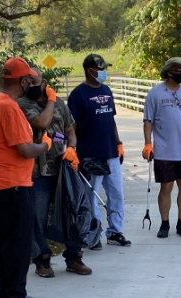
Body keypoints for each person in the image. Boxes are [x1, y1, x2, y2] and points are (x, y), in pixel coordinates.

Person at [0, 57, 52, 298]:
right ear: (22, 81)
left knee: (4, 240)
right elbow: (24, 149)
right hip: (12, 183)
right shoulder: (9, 108)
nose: (32, 85)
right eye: (30, 80)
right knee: (19, 242)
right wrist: (46, 145)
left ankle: (1, 294)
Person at [18, 68, 91, 277]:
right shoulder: (22, 104)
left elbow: (69, 130)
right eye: (28, 82)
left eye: (35, 81)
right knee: (37, 219)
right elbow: (41, 123)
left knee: (71, 212)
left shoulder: (59, 102)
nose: (32, 86)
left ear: (44, 82)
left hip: (63, 168)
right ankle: (42, 260)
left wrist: (72, 148)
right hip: (38, 172)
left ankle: (74, 257)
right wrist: (50, 100)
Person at [67, 54, 131, 250]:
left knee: (116, 194)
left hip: (110, 151)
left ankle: (115, 231)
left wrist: (118, 142)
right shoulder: (78, 95)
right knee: (92, 196)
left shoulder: (106, 90)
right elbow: (71, 127)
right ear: (89, 70)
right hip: (90, 153)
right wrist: (72, 149)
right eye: (100, 68)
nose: (104, 72)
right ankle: (94, 233)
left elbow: (111, 119)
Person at [142, 57, 181, 238]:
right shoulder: (155, 94)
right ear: (169, 72)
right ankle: (164, 223)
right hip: (164, 149)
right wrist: (147, 143)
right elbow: (148, 120)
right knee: (166, 187)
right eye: (178, 69)